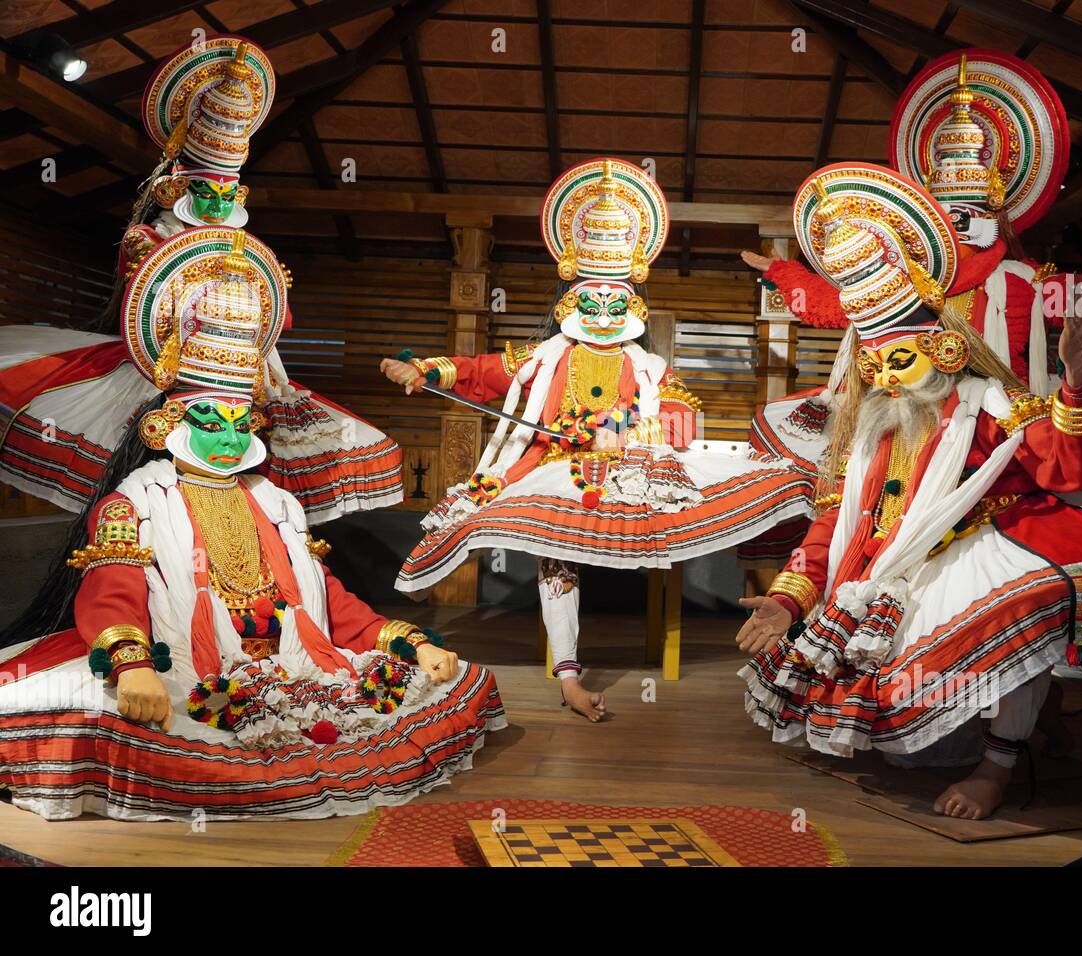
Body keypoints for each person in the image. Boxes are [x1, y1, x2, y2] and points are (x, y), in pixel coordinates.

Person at [736, 164, 1082, 819]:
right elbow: (831, 524)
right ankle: (967, 728)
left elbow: (1069, 467)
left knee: (1021, 599)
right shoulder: (868, 429)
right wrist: (786, 600)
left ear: (946, 351)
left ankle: (999, 764)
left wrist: (1078, 384)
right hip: (889, 562)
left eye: (904, 360)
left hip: (986, 536)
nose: (890, 377)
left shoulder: (994, 394)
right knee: (907, 733)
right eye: (879, 365)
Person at [0, 229, 505, 821]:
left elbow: (330, 602)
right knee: (128, 729)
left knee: (460, 685)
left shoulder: (277, 502)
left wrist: (407, 641)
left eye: (242, 422)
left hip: (296, 662)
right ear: (167, 426)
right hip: (185, 666)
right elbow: (113, 596)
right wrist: (134, 668)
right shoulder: (134, 502)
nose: (230, 436)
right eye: (212, 420)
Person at [382, 159, 813, 720]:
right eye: (593, 302)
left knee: (753, 490)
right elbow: (482, 372)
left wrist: (644, 426)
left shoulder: (650, 367)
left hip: (636, 475)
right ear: (571, 304)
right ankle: (567, 674)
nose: (604, 313)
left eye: (616, 302)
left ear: (633, 306)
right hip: (554, 470)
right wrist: (424, 371)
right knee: (549, 555)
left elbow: (683, 412)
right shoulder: (544, 357)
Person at [742, 49, 1082, 531]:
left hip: (997, 431)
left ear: (995, 216)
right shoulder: (908, 281)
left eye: (968, 217)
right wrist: (784, 272)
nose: (959, 229)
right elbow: (834, 304)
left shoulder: (1022, 283)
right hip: (908, 419)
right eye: (948, 218)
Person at [0, 34, 403, 524]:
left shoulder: (249, 249)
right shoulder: (151, 237)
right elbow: (144, 309)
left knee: (268, 454)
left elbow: (278, 319)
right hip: (174, 369)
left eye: (227, 191)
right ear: (177, 188)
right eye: (205, 190)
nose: (217, 202)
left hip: (246, 372)